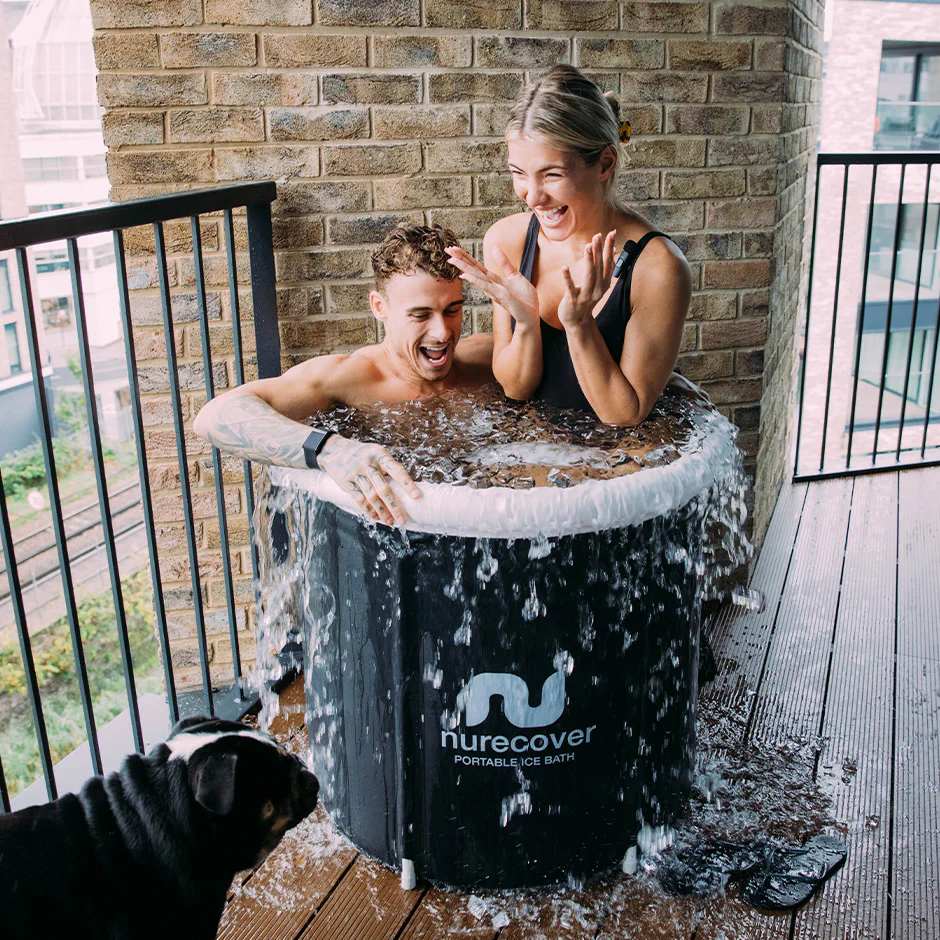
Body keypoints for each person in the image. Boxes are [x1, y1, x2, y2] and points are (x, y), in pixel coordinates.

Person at [193, 225, 493, 526]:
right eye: (420, 315)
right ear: (380, 307)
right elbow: (214, 416)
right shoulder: (352, 378)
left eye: (452, 310)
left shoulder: (482, 360)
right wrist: (329, 449)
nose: (442, 333)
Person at [444, 65, 693, 426]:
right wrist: (526, 323)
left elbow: (624, 415)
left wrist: (579, 325)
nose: (532, 196)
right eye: (518, 173)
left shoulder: (658, 269)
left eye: (553, 175)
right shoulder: (507, 242)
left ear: (604, 163)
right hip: (537, 458)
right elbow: (515, 389)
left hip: (616, 469)